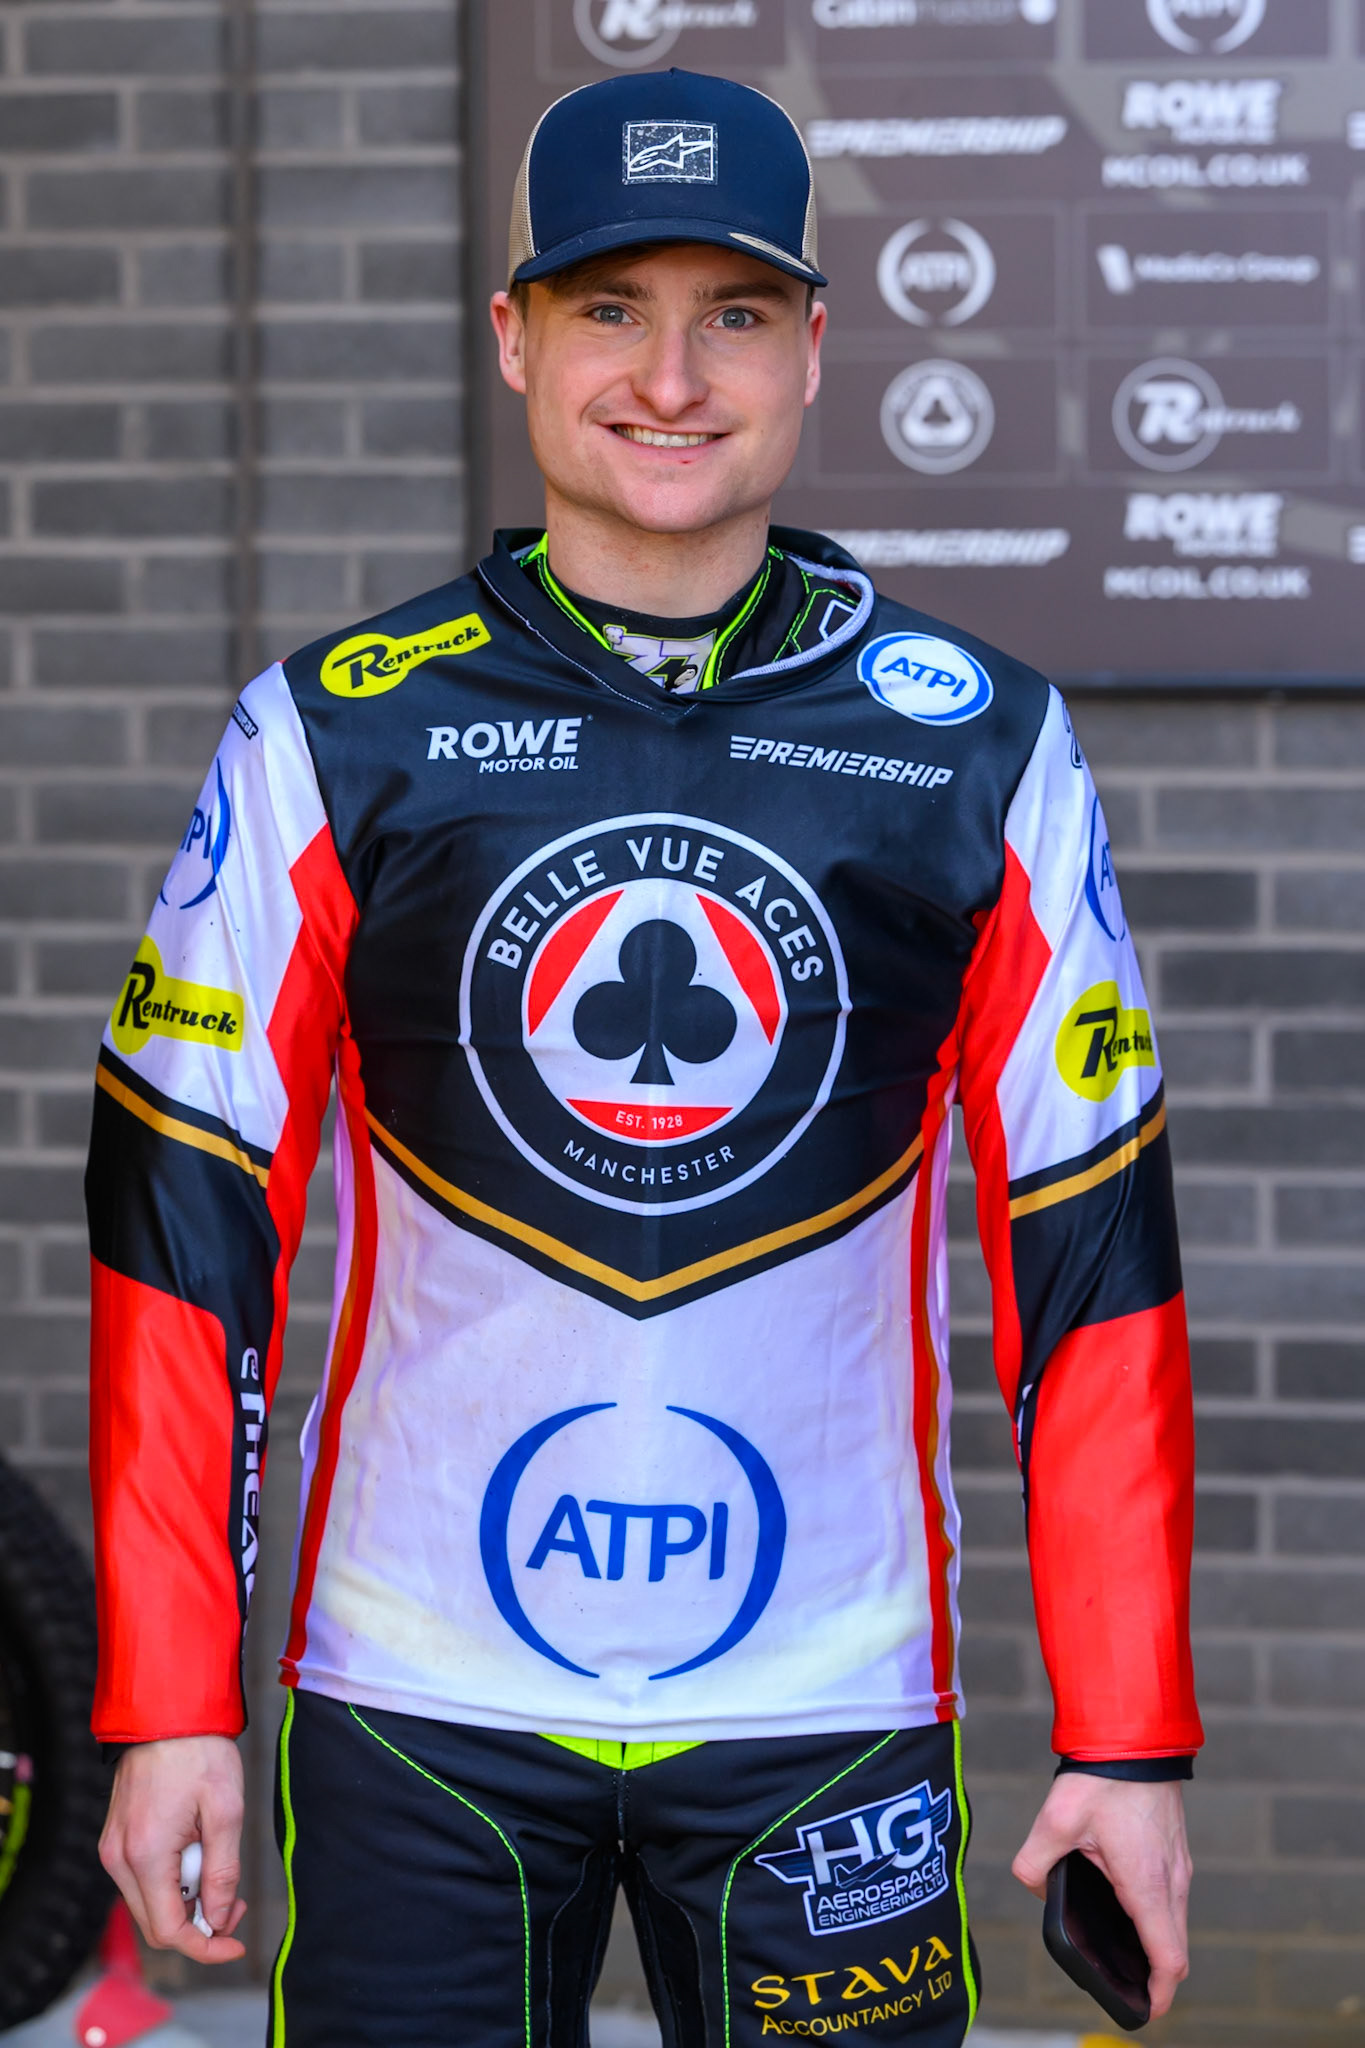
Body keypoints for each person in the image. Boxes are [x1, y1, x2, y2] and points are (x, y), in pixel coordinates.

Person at [88, 68, 1201, 2048]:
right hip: (415, 1701)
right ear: (511, 335)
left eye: (734, 313)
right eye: (609, 305)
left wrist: (1124, 1736)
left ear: (811, 352)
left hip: (822, 1712)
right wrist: (171, 1700)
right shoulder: (328, 733)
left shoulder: (980, 744)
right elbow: (182, 1234)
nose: (671, 373)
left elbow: (1093, 1252)